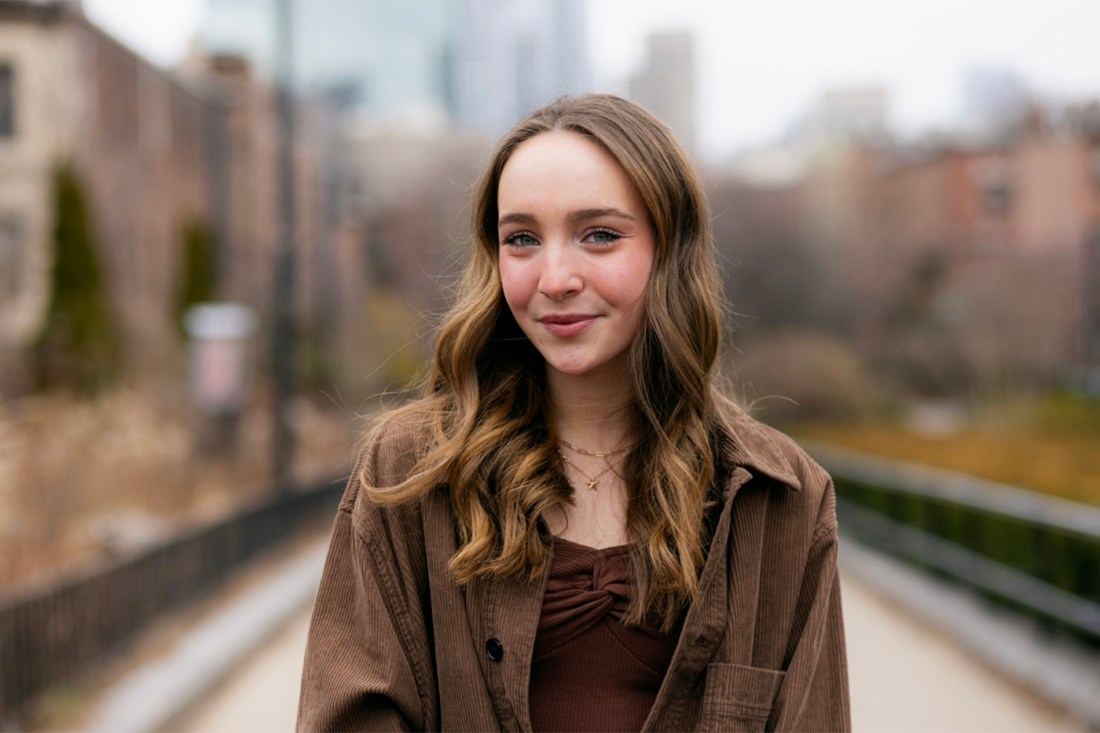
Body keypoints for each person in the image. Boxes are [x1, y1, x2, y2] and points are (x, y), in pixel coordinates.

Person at [297, 93, 849, 732]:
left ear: (669, 251)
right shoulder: (411, 473)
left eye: (600, 235)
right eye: (523, 239)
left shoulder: (782, 500)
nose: (554, 278)